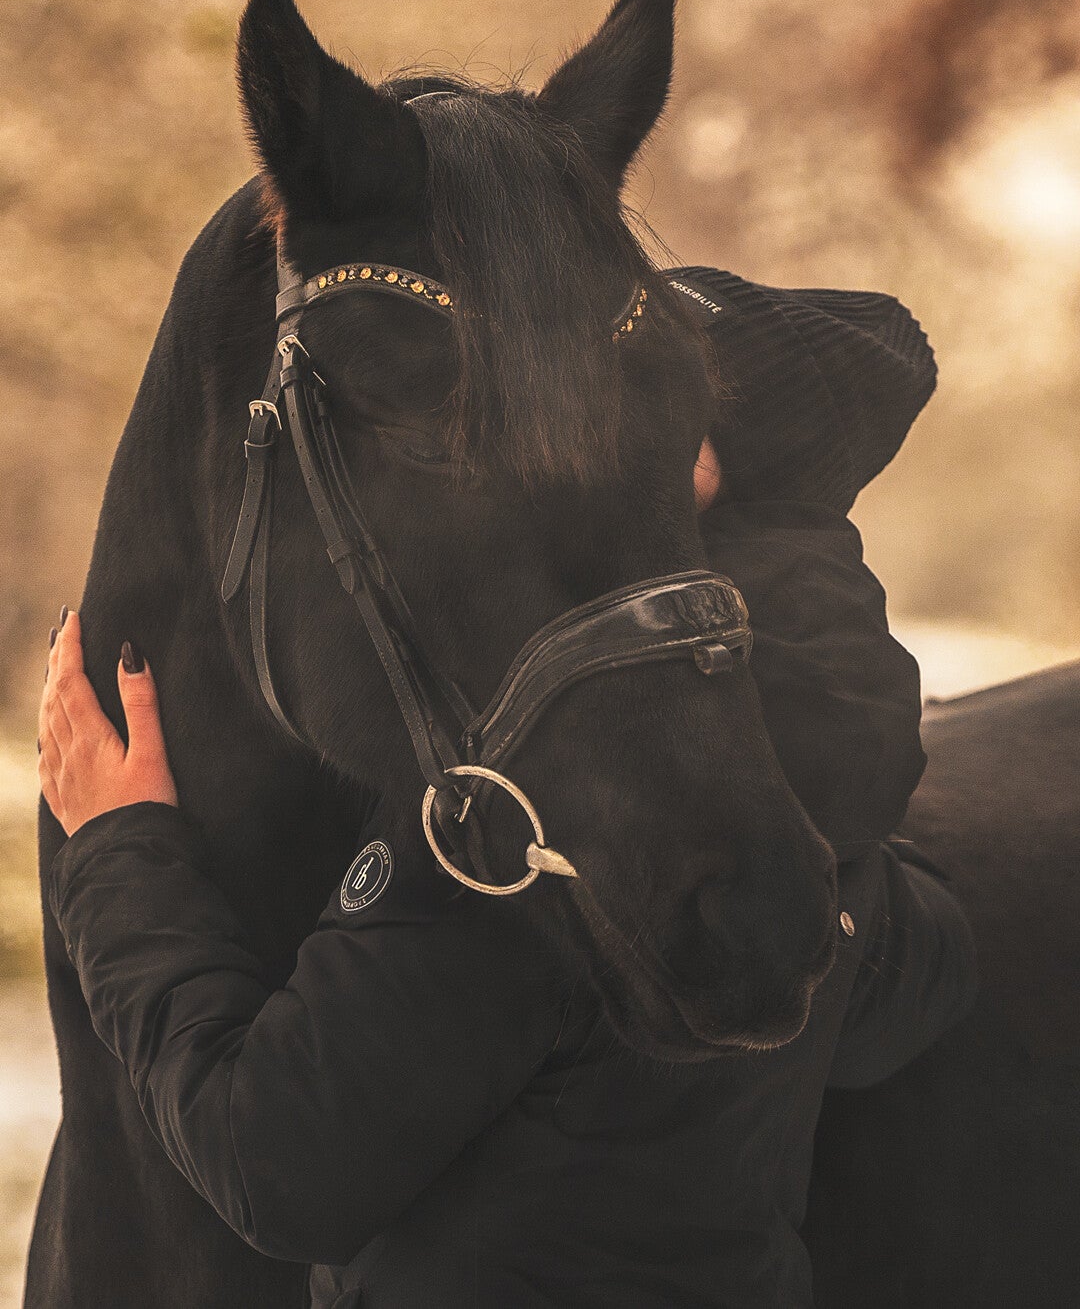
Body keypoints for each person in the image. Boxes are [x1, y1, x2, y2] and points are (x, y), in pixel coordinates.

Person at [37, 267, 978, 1308]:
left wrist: (119, 851)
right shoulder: (819, 751)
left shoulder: (539, 804)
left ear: (719, 468)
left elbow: (275, 1167)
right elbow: (917, 983)